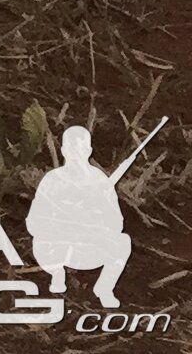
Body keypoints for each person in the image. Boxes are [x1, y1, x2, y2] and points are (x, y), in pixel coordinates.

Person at [28, 125, 131, 308]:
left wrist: (95, 219)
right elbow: (34, 222)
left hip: (87, 247)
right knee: (42, 245)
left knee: (122, 242)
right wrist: (62, 225)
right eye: (72, 149)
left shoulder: (100, 181)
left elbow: (116, 223)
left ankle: (104, 288)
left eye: (81, 149)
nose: (77, 154)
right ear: (64, 151)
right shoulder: (53, 180)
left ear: (89, 151)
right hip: (56, 246)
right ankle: (57, 274)